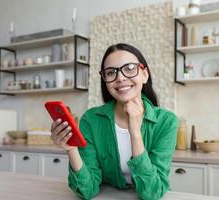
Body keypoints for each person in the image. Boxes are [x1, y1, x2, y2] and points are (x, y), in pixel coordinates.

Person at [50, 43, 179, 200]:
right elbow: (87, 190)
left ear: (144, 75)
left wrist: (135, 132)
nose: (120, 77)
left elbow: (152, 193)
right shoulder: (91, 120)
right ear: (106, 81)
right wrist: (71, 149)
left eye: (130, 68)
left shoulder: (167, 121)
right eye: (111, 72)